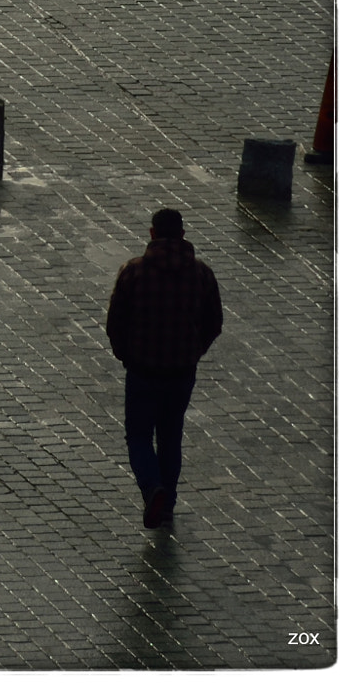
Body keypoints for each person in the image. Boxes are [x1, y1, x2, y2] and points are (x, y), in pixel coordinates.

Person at [105, 208, 223, 529]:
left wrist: (125, 354)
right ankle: (167, 503)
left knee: (139, 437)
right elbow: (214, 322)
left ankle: (151, 488)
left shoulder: (134, 272)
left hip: (143, 370)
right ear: (183, 235)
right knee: (171, 437)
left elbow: (115, 322)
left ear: (152, 234)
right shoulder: (201, 274)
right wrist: (194, 352)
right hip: (181, 372)